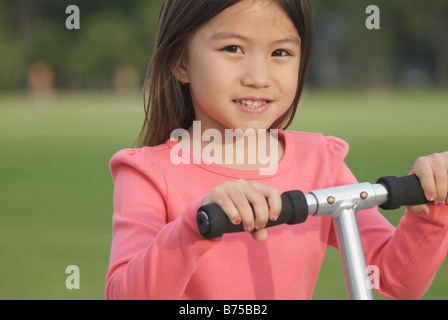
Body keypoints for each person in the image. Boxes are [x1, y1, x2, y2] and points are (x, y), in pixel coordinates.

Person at [105, 0, 447, 300]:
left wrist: (430, 209)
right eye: (233, 49)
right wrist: (194, 226)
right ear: (181, 62)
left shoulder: (320, 162)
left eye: (280, 53)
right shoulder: (148, 174)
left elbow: (394, 279)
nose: (258, 77)